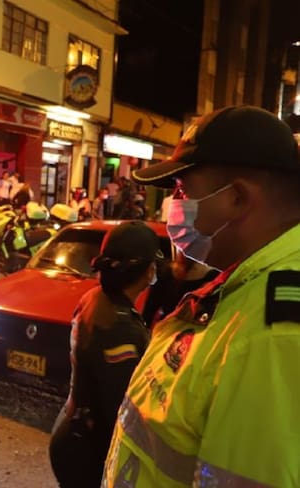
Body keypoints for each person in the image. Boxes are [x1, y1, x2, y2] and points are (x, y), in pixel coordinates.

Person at [102, 106, 300, 487]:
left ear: (237, 198)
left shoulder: (273, 337)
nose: (174, 204)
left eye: (182, 190)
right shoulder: (247, 284)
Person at [49, 221, 161, 488]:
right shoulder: (119, 327)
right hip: (87, 449)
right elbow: (117, 408)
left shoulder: (95, 298)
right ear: (145, 271)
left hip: (72, 430)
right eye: (153, 264)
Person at [141, 249, 219, 327]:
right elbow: (149, 311)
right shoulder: (164, 272)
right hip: (167, 327)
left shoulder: (211, 277)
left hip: (192, 329)